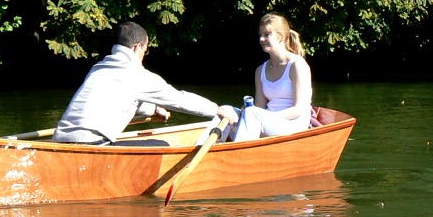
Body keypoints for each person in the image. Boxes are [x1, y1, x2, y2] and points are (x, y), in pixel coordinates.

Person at [53, 21, 237, 145]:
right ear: (136, 47)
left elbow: (121, 101)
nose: (144, 56)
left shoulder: (98, 68)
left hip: (59, 141)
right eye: (145, 50)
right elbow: (179, 99)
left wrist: (154, 110)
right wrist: (218, 110)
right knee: (162, 146)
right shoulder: (138, 75)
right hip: (92, 145)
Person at [232, 12, 312, 142]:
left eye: (267, 35)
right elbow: (259, 107)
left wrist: (267, 116)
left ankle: (239, 156)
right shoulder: (260, 70)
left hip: (294, 124)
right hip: (269, 122)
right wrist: (246, 111)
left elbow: (299, 109)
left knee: (252, 113)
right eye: (260, 35)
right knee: (226, 111)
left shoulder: (297, 65)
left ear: (281, 37)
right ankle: (203, 152)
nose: (261, 39)